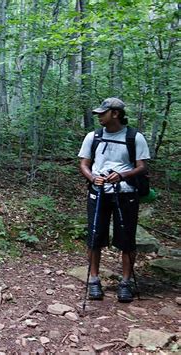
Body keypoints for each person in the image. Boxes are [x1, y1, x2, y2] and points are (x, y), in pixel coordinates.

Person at [78, 98, 150, 303]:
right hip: (98, 192)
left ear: (116, 114)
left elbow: (142, 166)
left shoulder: (135, 137)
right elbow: (84, 163)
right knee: (94, 236)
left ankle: (125, 283)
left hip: (126, 193)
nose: (99, 116)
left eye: (103, 112)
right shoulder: (93, 136)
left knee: (127, 239)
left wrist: (122, 175)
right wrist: (93, 178)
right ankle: (94, 280)